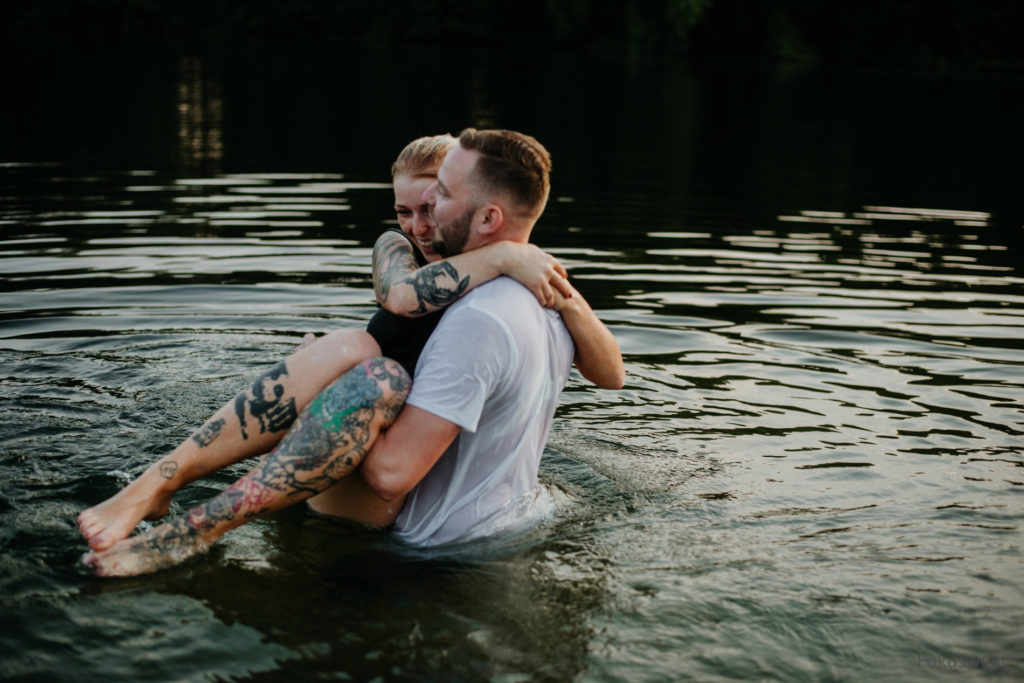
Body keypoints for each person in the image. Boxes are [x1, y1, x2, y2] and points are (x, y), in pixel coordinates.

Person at [80, 129, 624, 576]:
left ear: (483, 212)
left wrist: (566, 299)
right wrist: (507, 255)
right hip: (394, 454)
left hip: (392, 479)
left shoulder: (503, 303)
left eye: (435, 201)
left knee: (367, 366)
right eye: (406, 209)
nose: (421, 221)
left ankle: (188, 514)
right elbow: (402, 297)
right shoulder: (415, 255)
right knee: (355, 350)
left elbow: (611, 374)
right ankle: (159, 483)